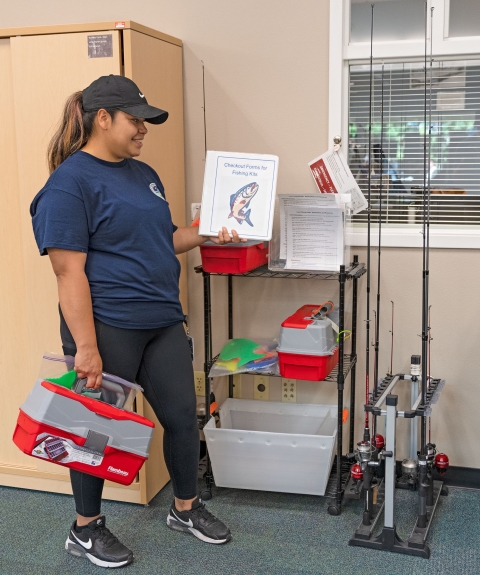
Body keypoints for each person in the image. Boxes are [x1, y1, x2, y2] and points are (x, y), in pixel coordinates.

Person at [30, 74, 242, 568]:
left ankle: (185, 509)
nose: (144, 129)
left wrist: (207, 234)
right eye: (135, 120)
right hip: (106, 326)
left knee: (182, 419)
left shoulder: (143, 174)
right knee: (92, 430)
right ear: (101, 119)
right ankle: (84, 529)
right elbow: (67, 272)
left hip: (161, 319)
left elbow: (162, 240)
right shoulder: (68, 184)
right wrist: (86, 347)